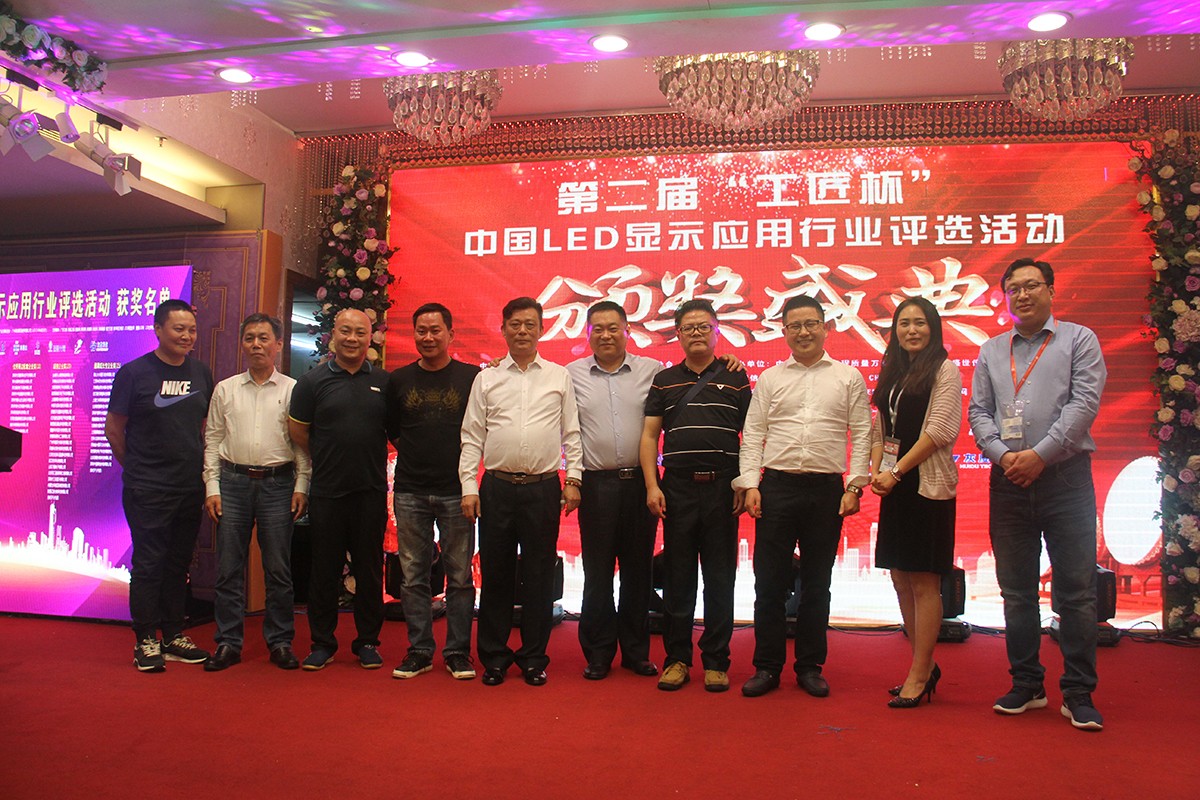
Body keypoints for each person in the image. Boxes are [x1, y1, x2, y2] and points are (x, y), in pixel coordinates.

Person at [968, 257, 1107, 731]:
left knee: (1077, 592)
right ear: (1006, 296)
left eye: (1031, 285)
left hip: (1065, 479)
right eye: (1014, 288)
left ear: (1050, 290)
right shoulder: (992, 350)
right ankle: (1027, 684)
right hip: (1008, 479)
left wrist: (1039, 455)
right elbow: (979, 412)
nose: (1023, 295)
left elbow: (1083, 405)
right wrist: (1005, 456)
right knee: (1016, 592)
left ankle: (1078, 692)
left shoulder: (1079, 340)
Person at [737, 295, 870, 699]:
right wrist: (751, 484)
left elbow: (862, 432)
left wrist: (855, 486)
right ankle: (767, 666)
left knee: (816, 584)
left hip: (825, 490)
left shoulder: (848, 377)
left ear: (826, 328)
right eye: (795, 325)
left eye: (811, 323)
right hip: (776, 487)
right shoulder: (770, 378)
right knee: (769, 584)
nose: (803, 332)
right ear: (784, 332)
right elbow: (753, 434)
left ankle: (810, 666)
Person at [459, 296, 583, 686]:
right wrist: (468, 486)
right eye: (515, 324)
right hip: (495, 488)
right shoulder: (487, 378)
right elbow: (471, 436)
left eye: (530, 324)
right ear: (503, 329)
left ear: (542, 329)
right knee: (495, 574)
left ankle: (533, 658)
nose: (523, 331)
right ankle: (494, 658)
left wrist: (574, 479)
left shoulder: (559, 376)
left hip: (542, 489)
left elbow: (572, 433)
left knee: (539, 575)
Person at [640, 299, 751, 693]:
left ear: (716, 331)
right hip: (678, 488)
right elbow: (649, 436)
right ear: (679, 335)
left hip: (723, 489)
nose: (697, 333)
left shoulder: (736, 377)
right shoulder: (664, 380)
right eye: (688, 328)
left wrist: (745, 482)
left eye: (704, 326)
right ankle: (677, 660)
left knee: (720, 579)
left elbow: (752, 433)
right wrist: (653, 485)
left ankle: (717, 661)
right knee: (679, 578)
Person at [105, 298, 214, 672]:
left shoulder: (201, 373)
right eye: (179, 329)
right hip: (148, 488)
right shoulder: (134, 373)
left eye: (192, 330)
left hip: (189, 487)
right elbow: (114, 429)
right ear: (158, 330)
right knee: (149, 563)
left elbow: (201, 428)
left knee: (178, 563)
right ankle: (145, 639)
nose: (187, 336)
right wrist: (138, 468)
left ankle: (173, 635)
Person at [202, 313, 311, 672]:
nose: (256, 345)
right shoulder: (226, 389)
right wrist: (212, 487)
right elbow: (213, 439)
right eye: (250, 338)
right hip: (231, 483)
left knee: (278, 569)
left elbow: (301, 444)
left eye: (264, 338)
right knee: (228, 568)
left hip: (279, 485)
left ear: (278, 344)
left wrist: (301, 485)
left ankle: (280, 642)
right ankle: (228, 642)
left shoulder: (293, 389)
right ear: (242, 344)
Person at [867, 297, 962, 708]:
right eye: (904, 323)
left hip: (926, 485)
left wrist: (897, 471)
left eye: (919, 323)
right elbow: (880, 427)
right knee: (900, 577)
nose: (911, 330)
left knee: (924, 581)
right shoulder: (894, 370)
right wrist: (878, 470)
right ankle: (923, 664)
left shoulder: (944, 369)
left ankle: (920, 673)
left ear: (933, 328)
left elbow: (939, 431)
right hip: (896, 485)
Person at [288, 308, 390, 671]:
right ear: (333, 334)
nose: (352, 339)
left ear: (370, 337)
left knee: (369, 570)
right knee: (324, 570)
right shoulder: (311, 382)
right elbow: (299, 432)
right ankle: (322, 643)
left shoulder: (383, 381)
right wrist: (326, 455)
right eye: (345, 331)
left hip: (370, 491)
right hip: (328, 491)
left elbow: (393, 431)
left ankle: (367, 642)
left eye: (360, 332)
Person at [566, 301, 663, 680]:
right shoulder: (571, 374)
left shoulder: (652, 371)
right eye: (598, 329)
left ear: (627, 330)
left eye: (613, 328)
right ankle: (599, 652)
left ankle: (636, 652)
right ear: (588, 333)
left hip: (641, 483)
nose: (606, 335)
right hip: (596, 485)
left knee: (638, 572)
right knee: (598, 572)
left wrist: (728, 362)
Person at [385, 303, 480, 681]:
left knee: (460, 577)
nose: (428, 337)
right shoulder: (399, 379)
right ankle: (420, 650)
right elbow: (393, 430)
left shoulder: (472, 377)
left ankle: (457, 652)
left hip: (458, 491)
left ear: (450, 334)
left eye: (435, 330)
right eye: (421, 331)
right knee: (413, 576)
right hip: (410, 490)